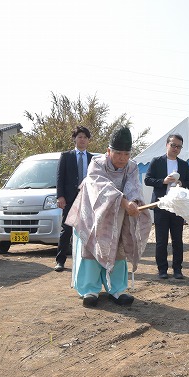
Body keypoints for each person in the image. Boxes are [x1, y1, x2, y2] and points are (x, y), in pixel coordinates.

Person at [66, 127, 152, 307]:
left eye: (126, 154)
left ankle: (117, 289)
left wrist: (134, 203)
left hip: (119, 216)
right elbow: (100, 186)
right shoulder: (97, 163)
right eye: (118, 153)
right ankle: (90, 289)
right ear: (108, 151)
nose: (122, 158)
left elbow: (133, 186)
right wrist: (123, 201)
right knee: (91, 249)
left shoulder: (132, 166)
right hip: (93, 213)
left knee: (118, 248)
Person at [144, 134, 189, 279]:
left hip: (177, 207)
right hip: (161, 206)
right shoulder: (157, 161)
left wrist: (181, 183)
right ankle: (162, 270)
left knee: (177, 240)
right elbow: (147, 180)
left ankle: (177, 269)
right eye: (173, 145)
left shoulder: (183, 164)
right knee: (161, 240)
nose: (175, 148)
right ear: (167, 145)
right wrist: (163, 181)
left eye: (179, 146)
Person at [54, 126, 94, 272]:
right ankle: (60, 261)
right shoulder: (66, 156)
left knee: (88, 229)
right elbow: (59, 177)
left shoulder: (93, 159)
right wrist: (60, 196)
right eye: (79, 137)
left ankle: (87, 261)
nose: (82, 140)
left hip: (88, 198)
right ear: (74, 139)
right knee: (67, 229)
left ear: (88, 140)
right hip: (70, 198)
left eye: (85, 137)